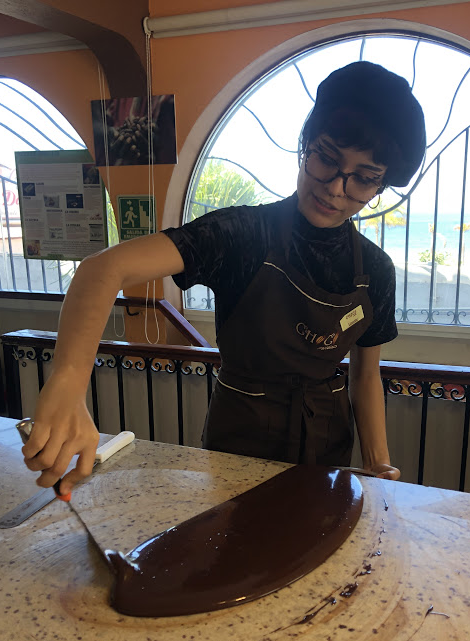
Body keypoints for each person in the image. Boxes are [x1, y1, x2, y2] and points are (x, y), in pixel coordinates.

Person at [23, 61, 426, 494]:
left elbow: (365, 375)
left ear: (379, 187)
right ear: (305, 143)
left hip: (327, 449)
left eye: (364, 179)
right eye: (327, 157)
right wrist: (68, 382)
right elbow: (104, 268)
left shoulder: (376, 272)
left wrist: (379, 465)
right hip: (239, 442)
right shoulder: (241, 235)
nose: (336, 187)